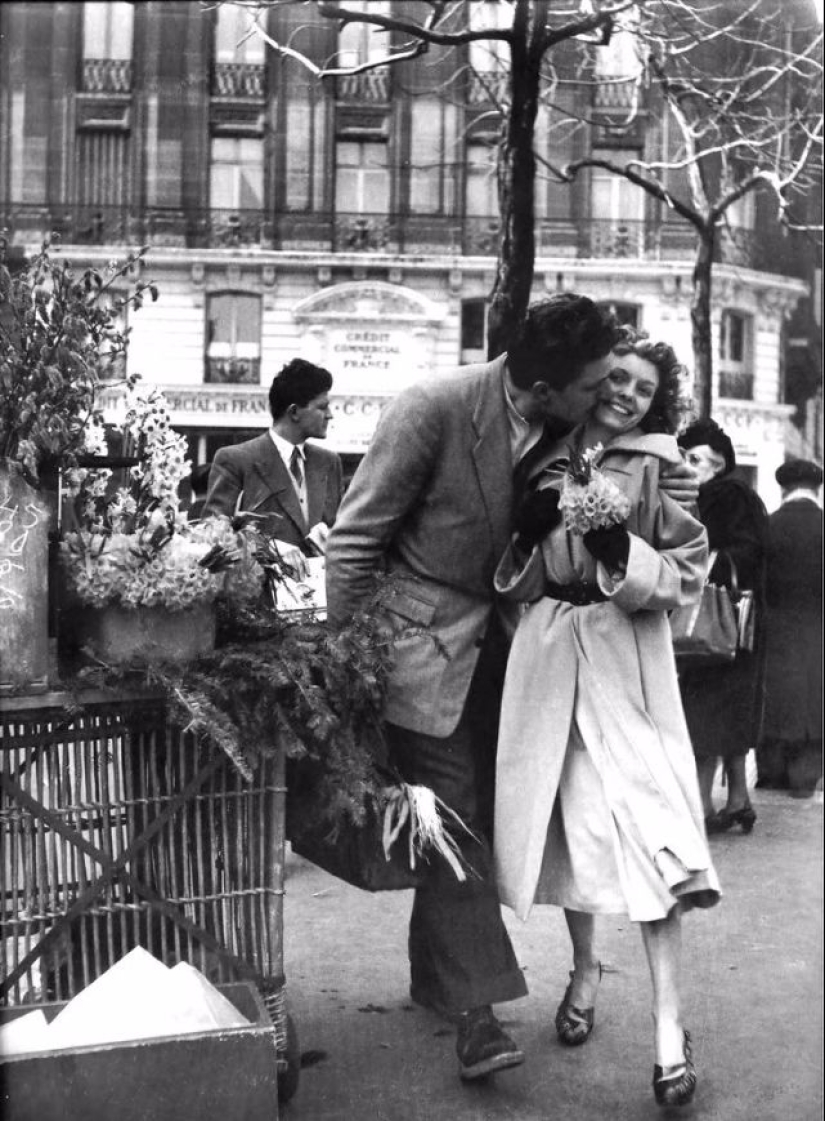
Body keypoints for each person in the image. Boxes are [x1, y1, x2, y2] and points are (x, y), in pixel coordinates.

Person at [325, 295, 700, 1082]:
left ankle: (442, 979)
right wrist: (352, 666)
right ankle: (478, 1017)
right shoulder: (431, 408)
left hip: (521, 658)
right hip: (420, 651)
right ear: (543, 387)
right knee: (454, 819)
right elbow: (354, 542)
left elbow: (661, 539)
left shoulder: (582, 438)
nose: (607, 392)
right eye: (595, 381)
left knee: (473, 826)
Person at [493, 328, 720, 1109]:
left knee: (655, 841)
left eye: (643, 390)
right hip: (552, 657)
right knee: (574, 833)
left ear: (660, 404)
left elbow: (688, 572)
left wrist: (621, 551)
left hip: (625, 663)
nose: (625, 396)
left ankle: (667, 1029)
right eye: (616, 379)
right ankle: (585, 967)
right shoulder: (540, 456)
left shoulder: (665, 466)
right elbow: (515, 585)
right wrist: (525, 537)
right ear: (593, 378)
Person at [676, 419, 769, 834]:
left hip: (714, 622)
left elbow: (747, 551)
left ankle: (700, 809)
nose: (694, 467)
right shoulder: (723, 494)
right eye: (689, 457)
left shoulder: (724, 495)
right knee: (726, 711)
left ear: (721, 466)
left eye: (703, 461)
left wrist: (704, 561)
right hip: (732, 626)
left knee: (706, 714)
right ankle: (737, 799)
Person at [203, 358, 344, 571]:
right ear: (294, 412)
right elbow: (212, 535)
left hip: (322, 598)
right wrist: (268, 547)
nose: (330, 415)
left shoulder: (329, 462)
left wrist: (334, 539)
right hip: (259, 599)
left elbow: (342, 529)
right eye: (322, 407)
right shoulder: (235, 460)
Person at [758, 458, 823, 797]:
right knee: (815, 696)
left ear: (784, 489)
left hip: (776, 625)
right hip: (819, 627)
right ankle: (805, 776)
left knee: (779, 695)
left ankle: (772, 773)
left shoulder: (767, 525)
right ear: (817, 489)